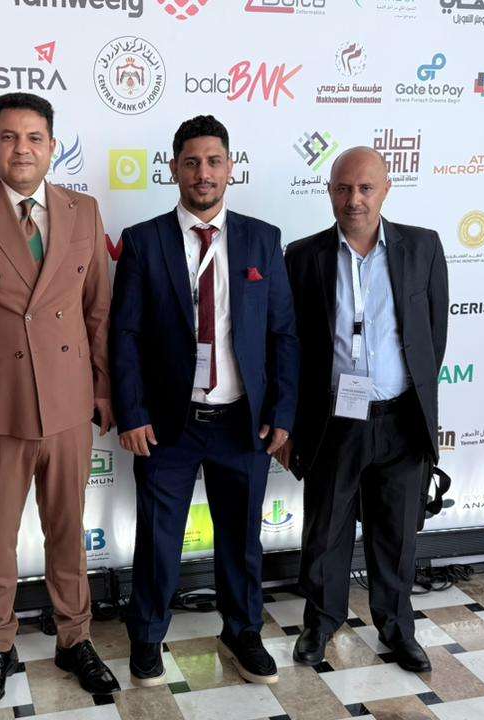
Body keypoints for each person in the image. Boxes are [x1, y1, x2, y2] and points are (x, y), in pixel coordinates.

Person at [0, 92, 119, 710]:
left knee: (67, 530)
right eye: (9, 137)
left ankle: (75, 639)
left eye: (34, 137)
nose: (22, 149)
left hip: (68, 403)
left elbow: (99, 311)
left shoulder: (84, 211)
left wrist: (104, 387)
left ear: (52, 146)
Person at [110, 115, 299, 686]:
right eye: (191, 162)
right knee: (158, 539)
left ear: (230, 168)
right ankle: (147, 637)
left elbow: (283, 333)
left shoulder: (262, 238)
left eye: (214, 161)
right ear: (174, 169)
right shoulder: (144, 240)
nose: (203, 173)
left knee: (241, 540)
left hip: (242, 421)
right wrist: (132, 412)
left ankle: (242, 632)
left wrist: (282, 413)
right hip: (168, 424)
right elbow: (125, 334)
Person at [280, 146, 448, 674]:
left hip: (401, 419)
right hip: (333, 421)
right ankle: (320, 624)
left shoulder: (422, 247)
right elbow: (292, 346)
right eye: (343, 188)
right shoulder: (302, 256)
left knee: (396, 534)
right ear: (329, 191)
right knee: (325, 530)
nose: (354, 199)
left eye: (365, 188)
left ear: (386, 189)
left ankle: (397, 628)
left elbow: (433, 335)